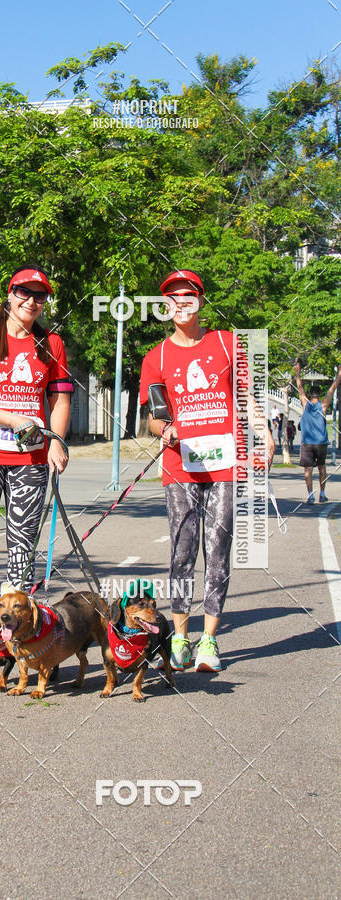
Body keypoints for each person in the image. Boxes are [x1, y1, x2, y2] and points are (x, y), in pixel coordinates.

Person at [139, 269, 275, 673]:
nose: (180, 303)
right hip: (181, 466)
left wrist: (264, 434)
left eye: (188, 296)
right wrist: (166, 430)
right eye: (172, 298)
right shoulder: (156, 357)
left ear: (200, 301)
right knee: (182, 552)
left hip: (225, 466)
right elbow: (154, 418)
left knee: (217, 549)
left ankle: (210, 641)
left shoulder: (228, 344)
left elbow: (248, 398)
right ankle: (180, 635)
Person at [0, 265, 73, 665]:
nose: (32, 302)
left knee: (22, 550)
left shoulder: (52, 343)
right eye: (25, 293)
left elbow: (59, 400)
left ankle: (12, 638)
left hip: (31, 461)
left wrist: (56, 441)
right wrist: (14, 420)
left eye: (40, 296)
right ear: (9, 294)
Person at [295, 361, 341, 503]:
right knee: (322, 468)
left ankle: (310, 495)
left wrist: (298, 371)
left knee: (308, 471)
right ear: (319, 394)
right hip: (320, 443)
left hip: (307, 443)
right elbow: (333, 388)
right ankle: (322, 494)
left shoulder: (305, 403)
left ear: (309, 394)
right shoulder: (324, 404)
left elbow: (299, 386)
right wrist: (339, 374)